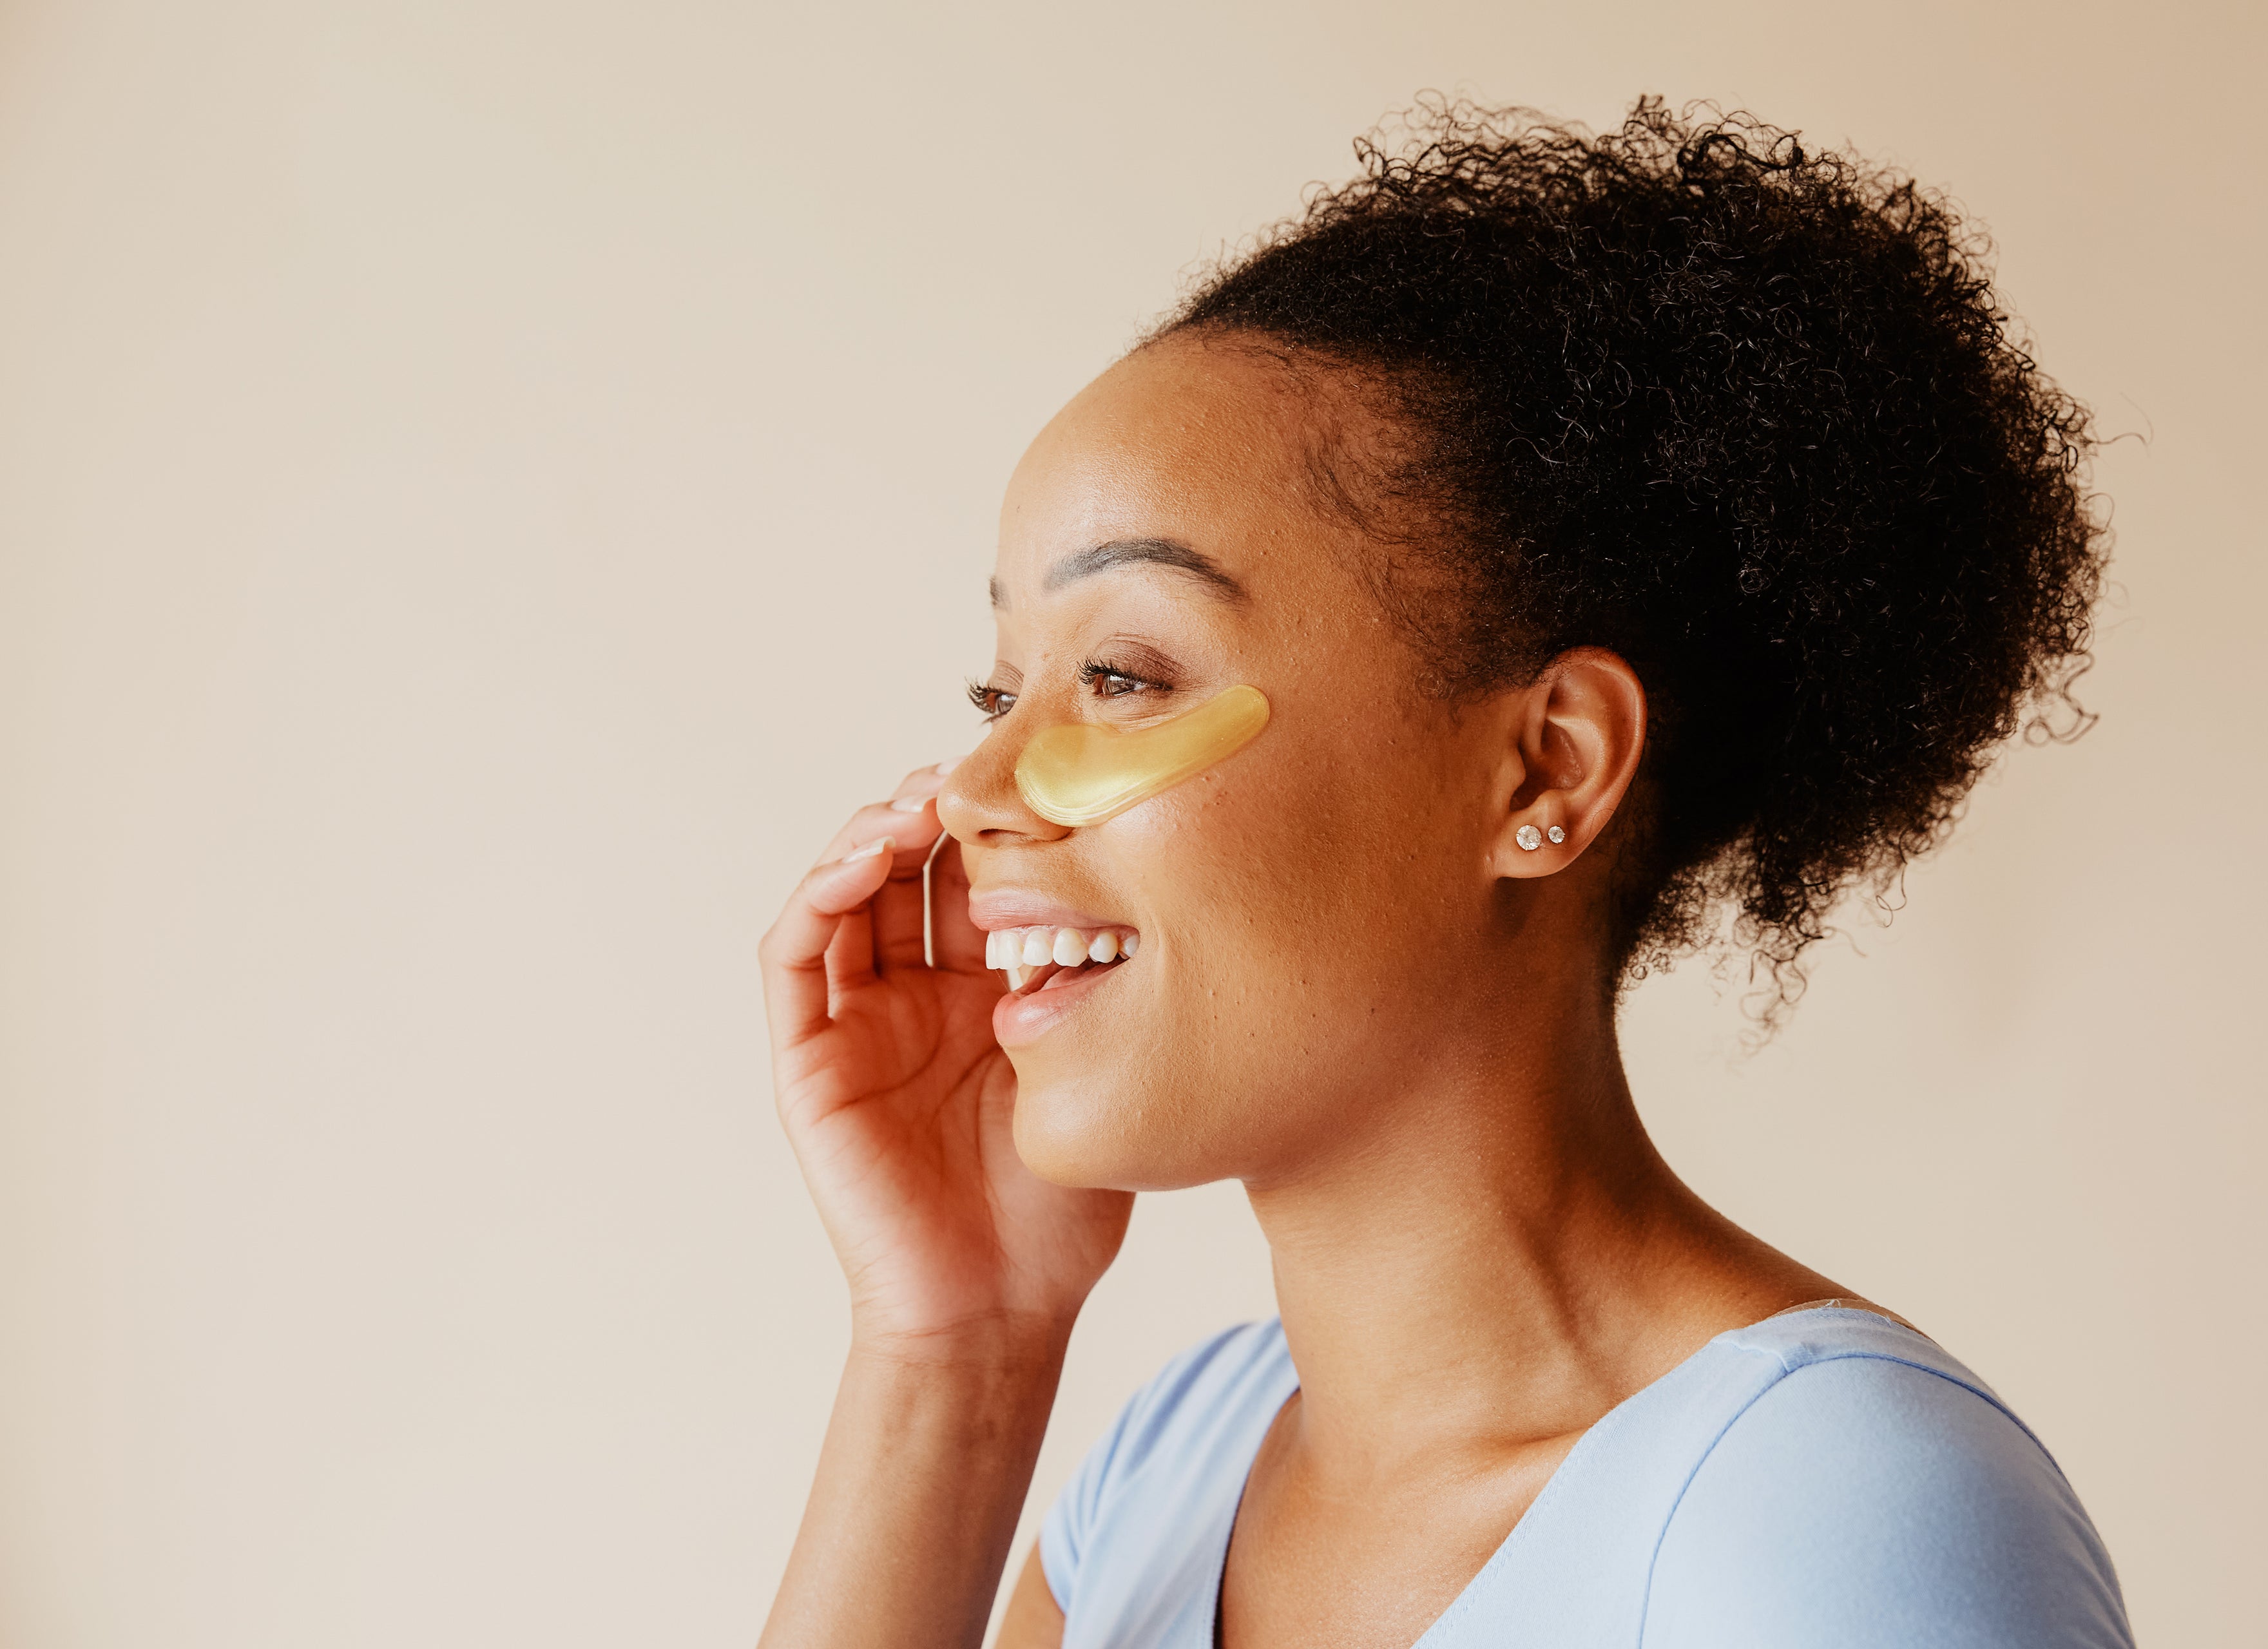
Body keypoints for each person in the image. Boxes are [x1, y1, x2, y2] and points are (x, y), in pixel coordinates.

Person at [754, 99, 2131, 1649]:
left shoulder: (1827, 1522)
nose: (973, 792)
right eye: (1000, 692)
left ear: (1545, 768)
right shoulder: (1165, 1473)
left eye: (1124, 674)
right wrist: (956, 1354)